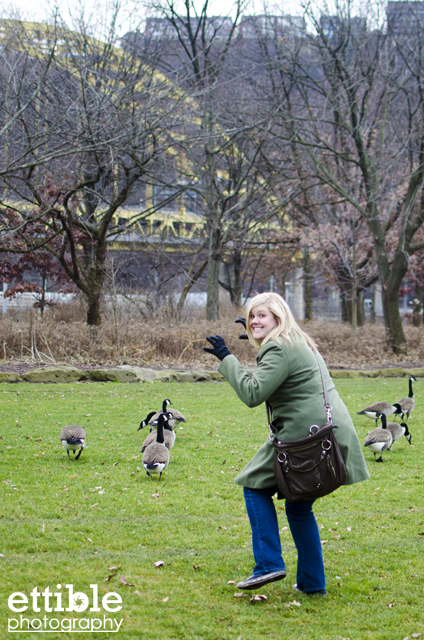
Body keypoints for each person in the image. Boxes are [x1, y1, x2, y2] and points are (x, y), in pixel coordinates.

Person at [204, 292, 369, 595]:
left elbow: (253, 394)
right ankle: (312, 585)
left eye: (262, 315)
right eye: (252, 315)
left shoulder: (278, 347)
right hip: (328, 431)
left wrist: (226, 357)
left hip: (306, 436)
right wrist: (258, 342)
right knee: (298, 507)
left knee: (254, 486)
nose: (254, 320)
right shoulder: (296, 340)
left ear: (279, 317)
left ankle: (268, 565)